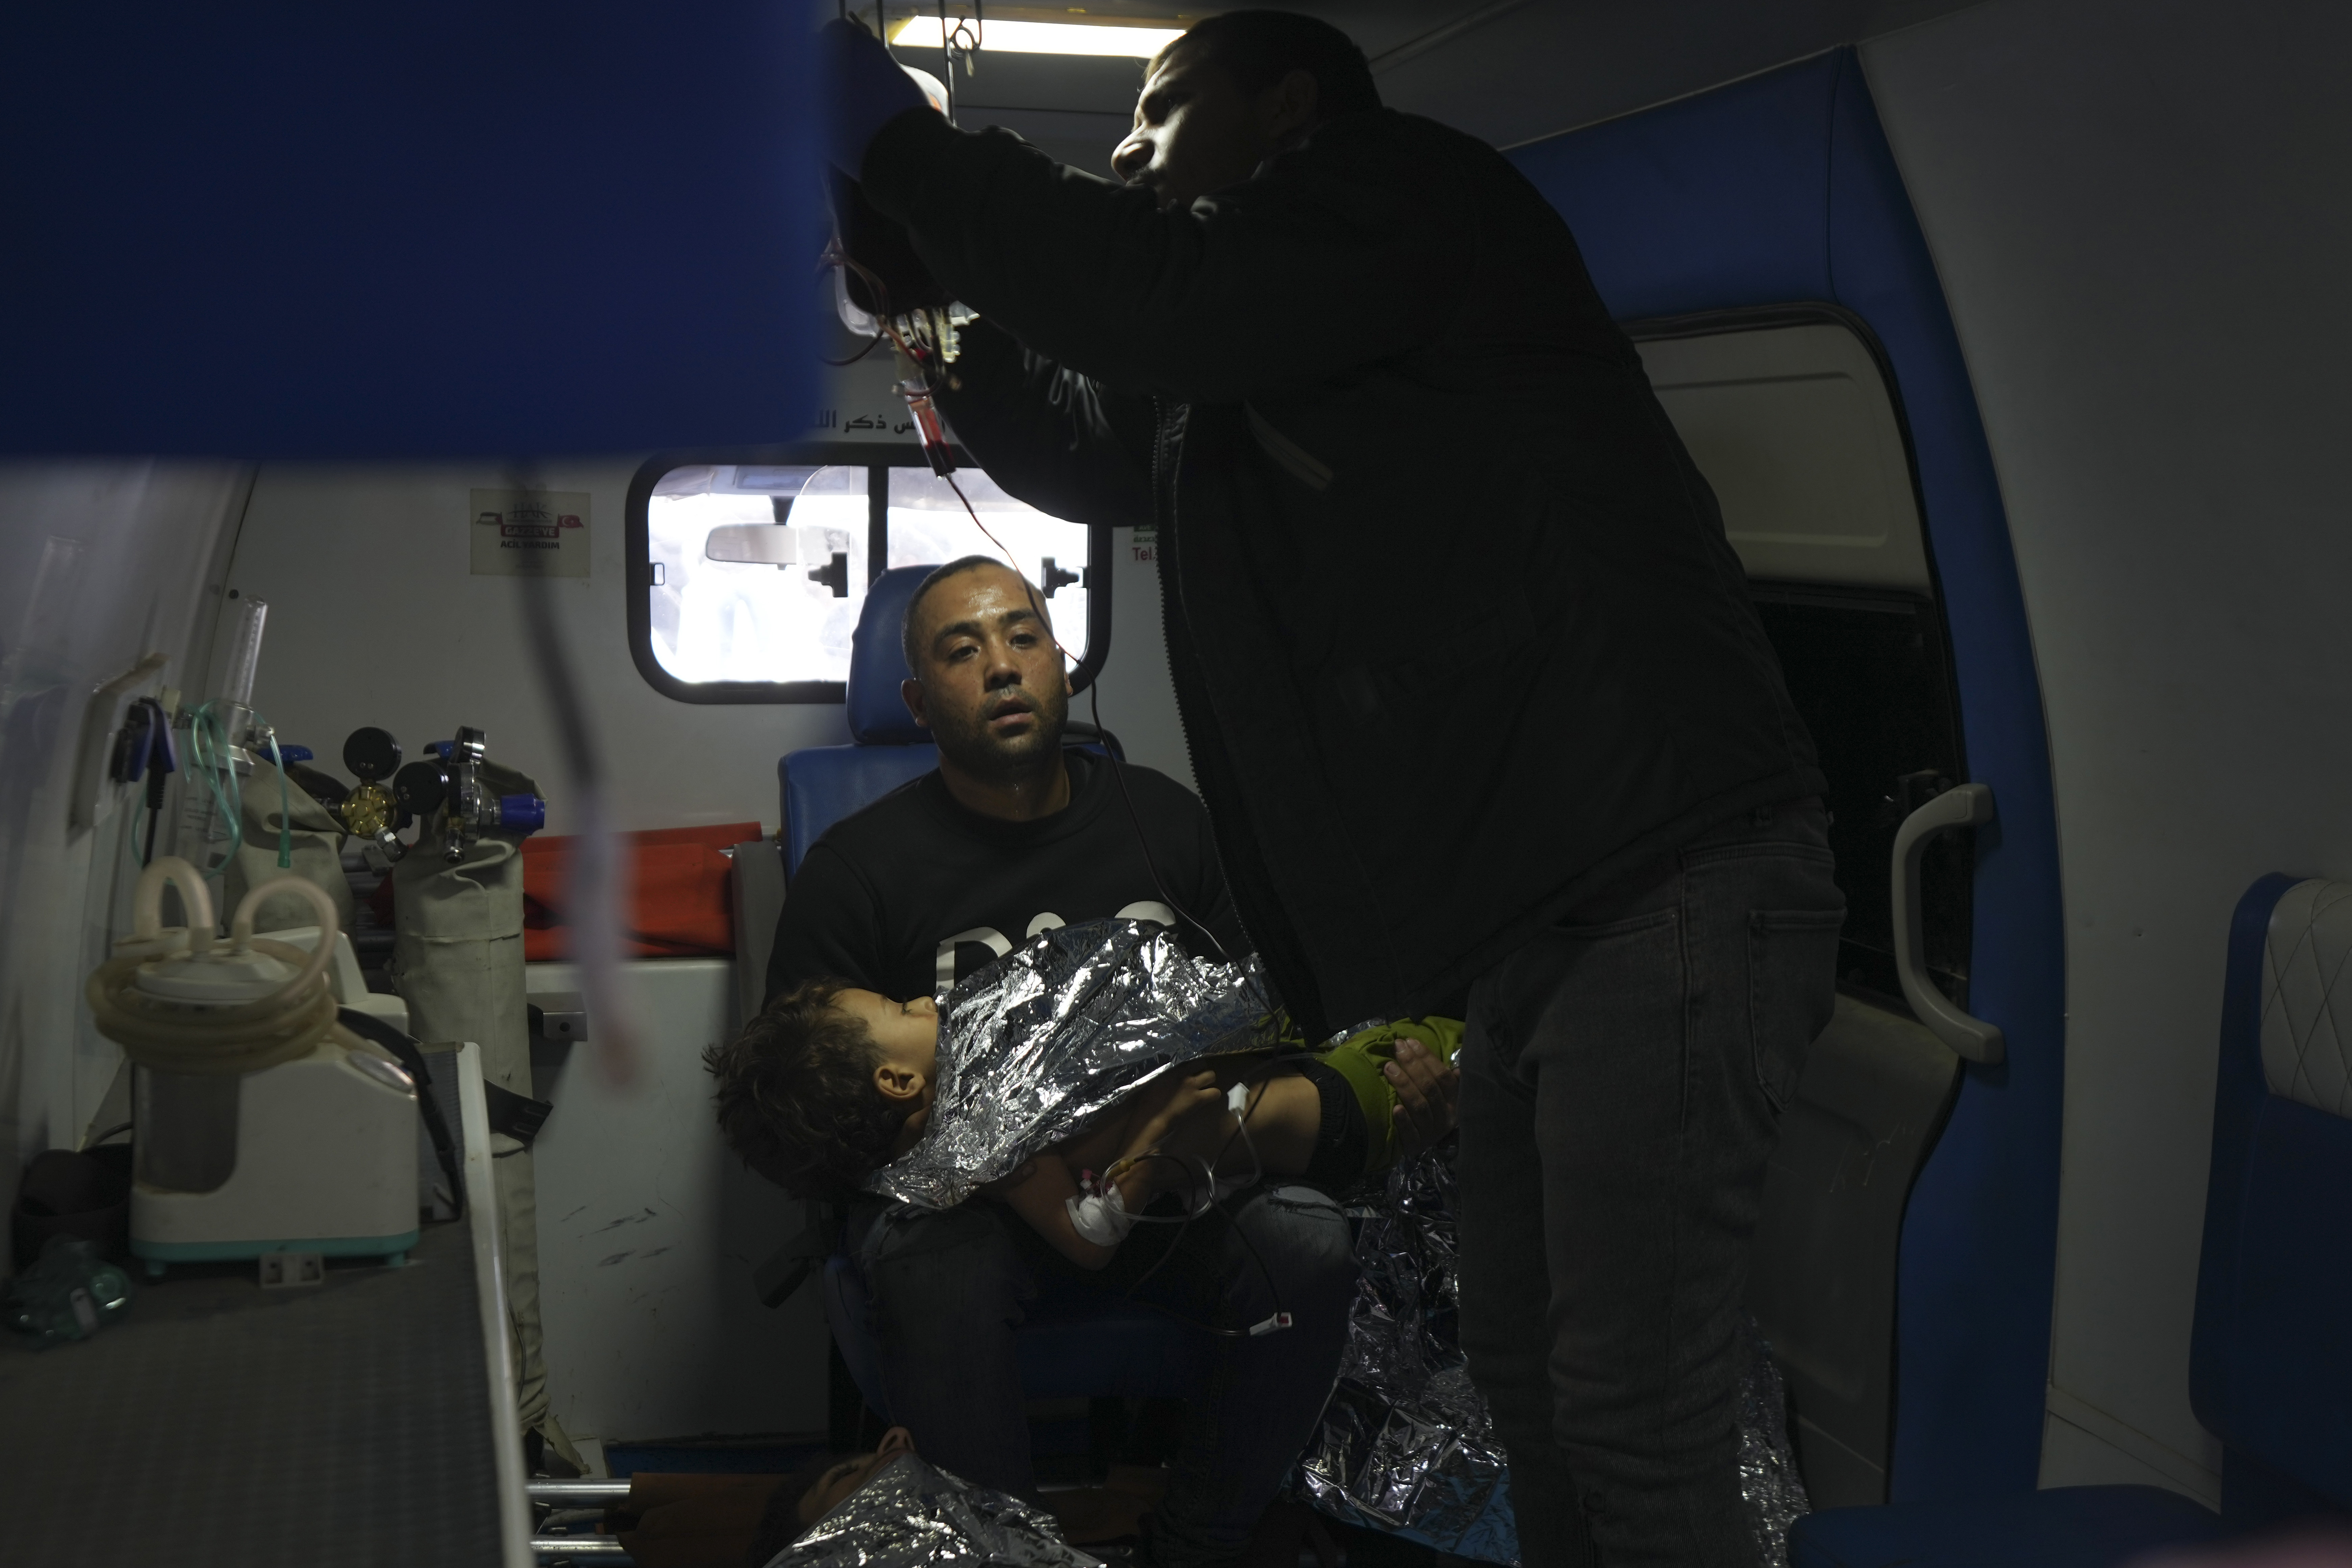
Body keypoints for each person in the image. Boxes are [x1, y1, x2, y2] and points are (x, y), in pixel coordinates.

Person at [818, 13, 1843, 1567]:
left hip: (1666, 869)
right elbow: (1087, 439)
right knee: (1529, 1373)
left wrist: (902, 146)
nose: (1124, 148)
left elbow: (1151, 304)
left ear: (1291, 110)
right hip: (1538, 919)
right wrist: (930, 310)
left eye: (1164, 115)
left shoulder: (1405, 200)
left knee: (1635, 1400)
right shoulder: (1248, 353)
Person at [760, 556, 1455, 1568]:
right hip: (971, 1213)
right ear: (917, 699)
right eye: (963, 650)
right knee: (930, 1268)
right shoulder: (858, 874)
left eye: (1022, 637)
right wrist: (988, 1162)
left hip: (1172, 1178)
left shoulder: (1164, 820)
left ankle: (1196, 1544)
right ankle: (1013, 1557)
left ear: (1063, 663)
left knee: (1305, 1242)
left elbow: (1275, 1019)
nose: (1001, 667)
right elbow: (806, 1110)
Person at [706, 963, 1461, 1265]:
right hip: (1336, 1111)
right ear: (900, 1080)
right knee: (1490, 1048)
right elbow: (1085, 1240)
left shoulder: (996, 1093)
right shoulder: (989, 1153)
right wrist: (1157, 1143)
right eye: (904, 1009)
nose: (930, 1002)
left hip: (1307, 1062)